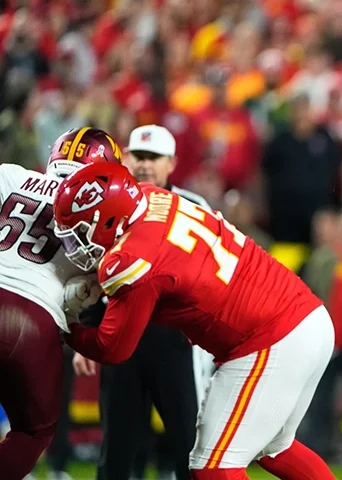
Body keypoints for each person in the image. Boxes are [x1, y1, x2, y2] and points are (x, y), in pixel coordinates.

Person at [53, 162, 336, 480]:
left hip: (270, 338)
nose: (75, 244)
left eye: (80, 231)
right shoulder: (150, 196)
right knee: (274, 448)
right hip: (308, 317)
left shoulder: (131, 259)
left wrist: (65, 329)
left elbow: (112, 348)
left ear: (108, 219)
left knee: (212, 465)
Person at [72, 124, 213, 480]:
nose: (145, 164)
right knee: (117, 447)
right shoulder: (108, 201)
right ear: (126, 158)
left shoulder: (196, 207)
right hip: (122, 334)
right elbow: (92, 269)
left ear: (171, 163)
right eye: (139, 155)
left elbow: (215, 271)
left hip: (177, 339)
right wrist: (87, 333)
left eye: (154, 157)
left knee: (189, 442)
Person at [0, 127, 122, 478]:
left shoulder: (11, 175)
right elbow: (107, 280)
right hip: (37, 317)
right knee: (32, 432)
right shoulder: (104, 209)